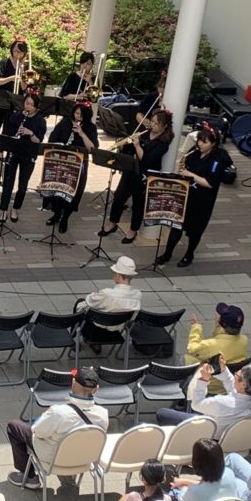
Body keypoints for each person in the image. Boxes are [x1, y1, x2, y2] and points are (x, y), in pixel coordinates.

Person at [5, 366, 108, 490]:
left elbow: (37, 431)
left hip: (53, 458)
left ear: (73, 383)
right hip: (84, 459)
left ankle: (29, 477)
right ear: (96, 389)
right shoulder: (103, 414)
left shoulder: (58, 412)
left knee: (14, 426)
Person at [156, 123, 227, 268]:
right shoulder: (193, 153)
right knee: (176, 226)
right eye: (199, 140)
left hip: (202, 201)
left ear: (213, 143)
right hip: (186, 196)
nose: (199, 144)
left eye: (204, 142)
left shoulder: (217, 159)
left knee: (195, 231)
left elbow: (210, 183)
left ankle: (189, 254)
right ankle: (167, 253)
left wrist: (190, 175)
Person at [101, 108, 173, 242]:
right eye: (152, 121)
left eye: (156, 123)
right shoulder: (145, 134)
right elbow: (130, 151)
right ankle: (112, 223)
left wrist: (138, 146)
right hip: (131, 171)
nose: (152, 125)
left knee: (138, 204)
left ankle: (133, 230)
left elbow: (147, 160)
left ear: (165, 126)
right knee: (119, 198)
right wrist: (124, 144)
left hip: (144, 176)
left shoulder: (163, 143)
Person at [156, 355, 251, 432]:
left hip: (210, 432)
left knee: (163, 413)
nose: (235, 375)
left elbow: (196, 404)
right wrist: (223, 370)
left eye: (237, 375)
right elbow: (236, 393)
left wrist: (203, 380)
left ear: (244, 384)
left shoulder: (221, 402)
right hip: (229, 432)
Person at [45, 100, 98, 233]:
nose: (78, 116)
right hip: (61, 161)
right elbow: (52, 139)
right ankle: (57, 214)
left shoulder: (90, 127)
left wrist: (81, 133)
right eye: (76, 113)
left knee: (74, 192)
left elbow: (92, 148)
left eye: (81, 114)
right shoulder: (65, 122)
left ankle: (65, 218)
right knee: (57, 189)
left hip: (78, 164)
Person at [0, 91, 47, 224]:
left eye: (31, 104)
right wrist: (15, 132)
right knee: (8, 183)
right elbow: (7, 135)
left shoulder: (40, 121)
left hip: (28, 155)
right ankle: (3, 210)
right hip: (13, 153)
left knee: (23, 185)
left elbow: (38, 141)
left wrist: (30, 133)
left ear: (36, 106)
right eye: (26, 103)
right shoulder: (16, 116)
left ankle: (15, 209)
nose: (28, 106)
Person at [170, 438, 241, 501]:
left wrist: (183, 488)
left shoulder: (195, 492)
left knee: (170, 499)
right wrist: (185, 481)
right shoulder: (229, 474)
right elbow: (208, 487)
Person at [76, 256, 141, 351]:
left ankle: (74, 338)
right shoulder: (137, 295)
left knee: (80, 303)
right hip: (116, 331)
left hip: (94, 330)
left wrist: (94, 295)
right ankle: (95, 344)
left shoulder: (106, 293)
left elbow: (89, 301)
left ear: (118, 275)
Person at [185, 303, 249, 395]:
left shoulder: (211, 345)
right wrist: (218, 326)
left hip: (210, 386)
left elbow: (192, 348)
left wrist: (196, 327)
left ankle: (182, 391)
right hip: (229, 384)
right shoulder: (244, 340)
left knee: (186, 359)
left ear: (221, 323)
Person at [0, 39, 29, 153]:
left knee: (8, 128)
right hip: (2, 98)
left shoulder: (25, 66)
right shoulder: (4, 63)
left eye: (20, 51)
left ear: (24, 53)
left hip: (16, 100)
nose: (17, 53)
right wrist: (11, 78)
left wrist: (22, 73)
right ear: (11, 50)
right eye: (15, 50)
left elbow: (24, 87)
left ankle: (1, 150)